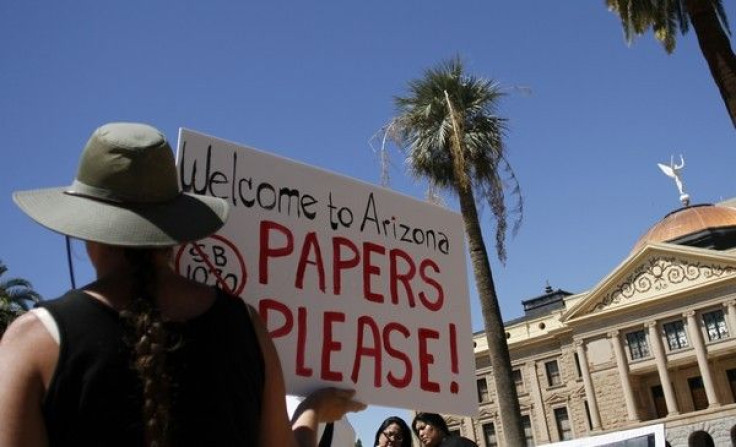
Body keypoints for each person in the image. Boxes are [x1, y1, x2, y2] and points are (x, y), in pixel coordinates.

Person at [0, 122, 365, 447]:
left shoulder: (33, 342)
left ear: (85, 229)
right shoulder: (247, 326)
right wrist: (312, 411)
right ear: (177, 232)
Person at [412, 412, 478, 447]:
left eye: (423, 428)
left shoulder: (460, 443)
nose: (420, 434)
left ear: (437, 424)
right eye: (417, 432)